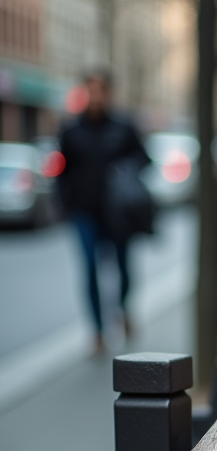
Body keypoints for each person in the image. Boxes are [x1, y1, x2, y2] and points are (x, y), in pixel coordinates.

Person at [56, 70, 150, 354]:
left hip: (118, 212)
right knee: (90, 269)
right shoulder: (71, 130)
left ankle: (122, 308)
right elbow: (62, 169)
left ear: (108, 93)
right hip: (85, 211)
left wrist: (124, 169)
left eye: (100, 90)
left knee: (122, 266)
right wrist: (67, 203)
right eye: (90, 89)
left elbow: (143, 158)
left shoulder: (123, 126)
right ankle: (97, 330)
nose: (95, 95)